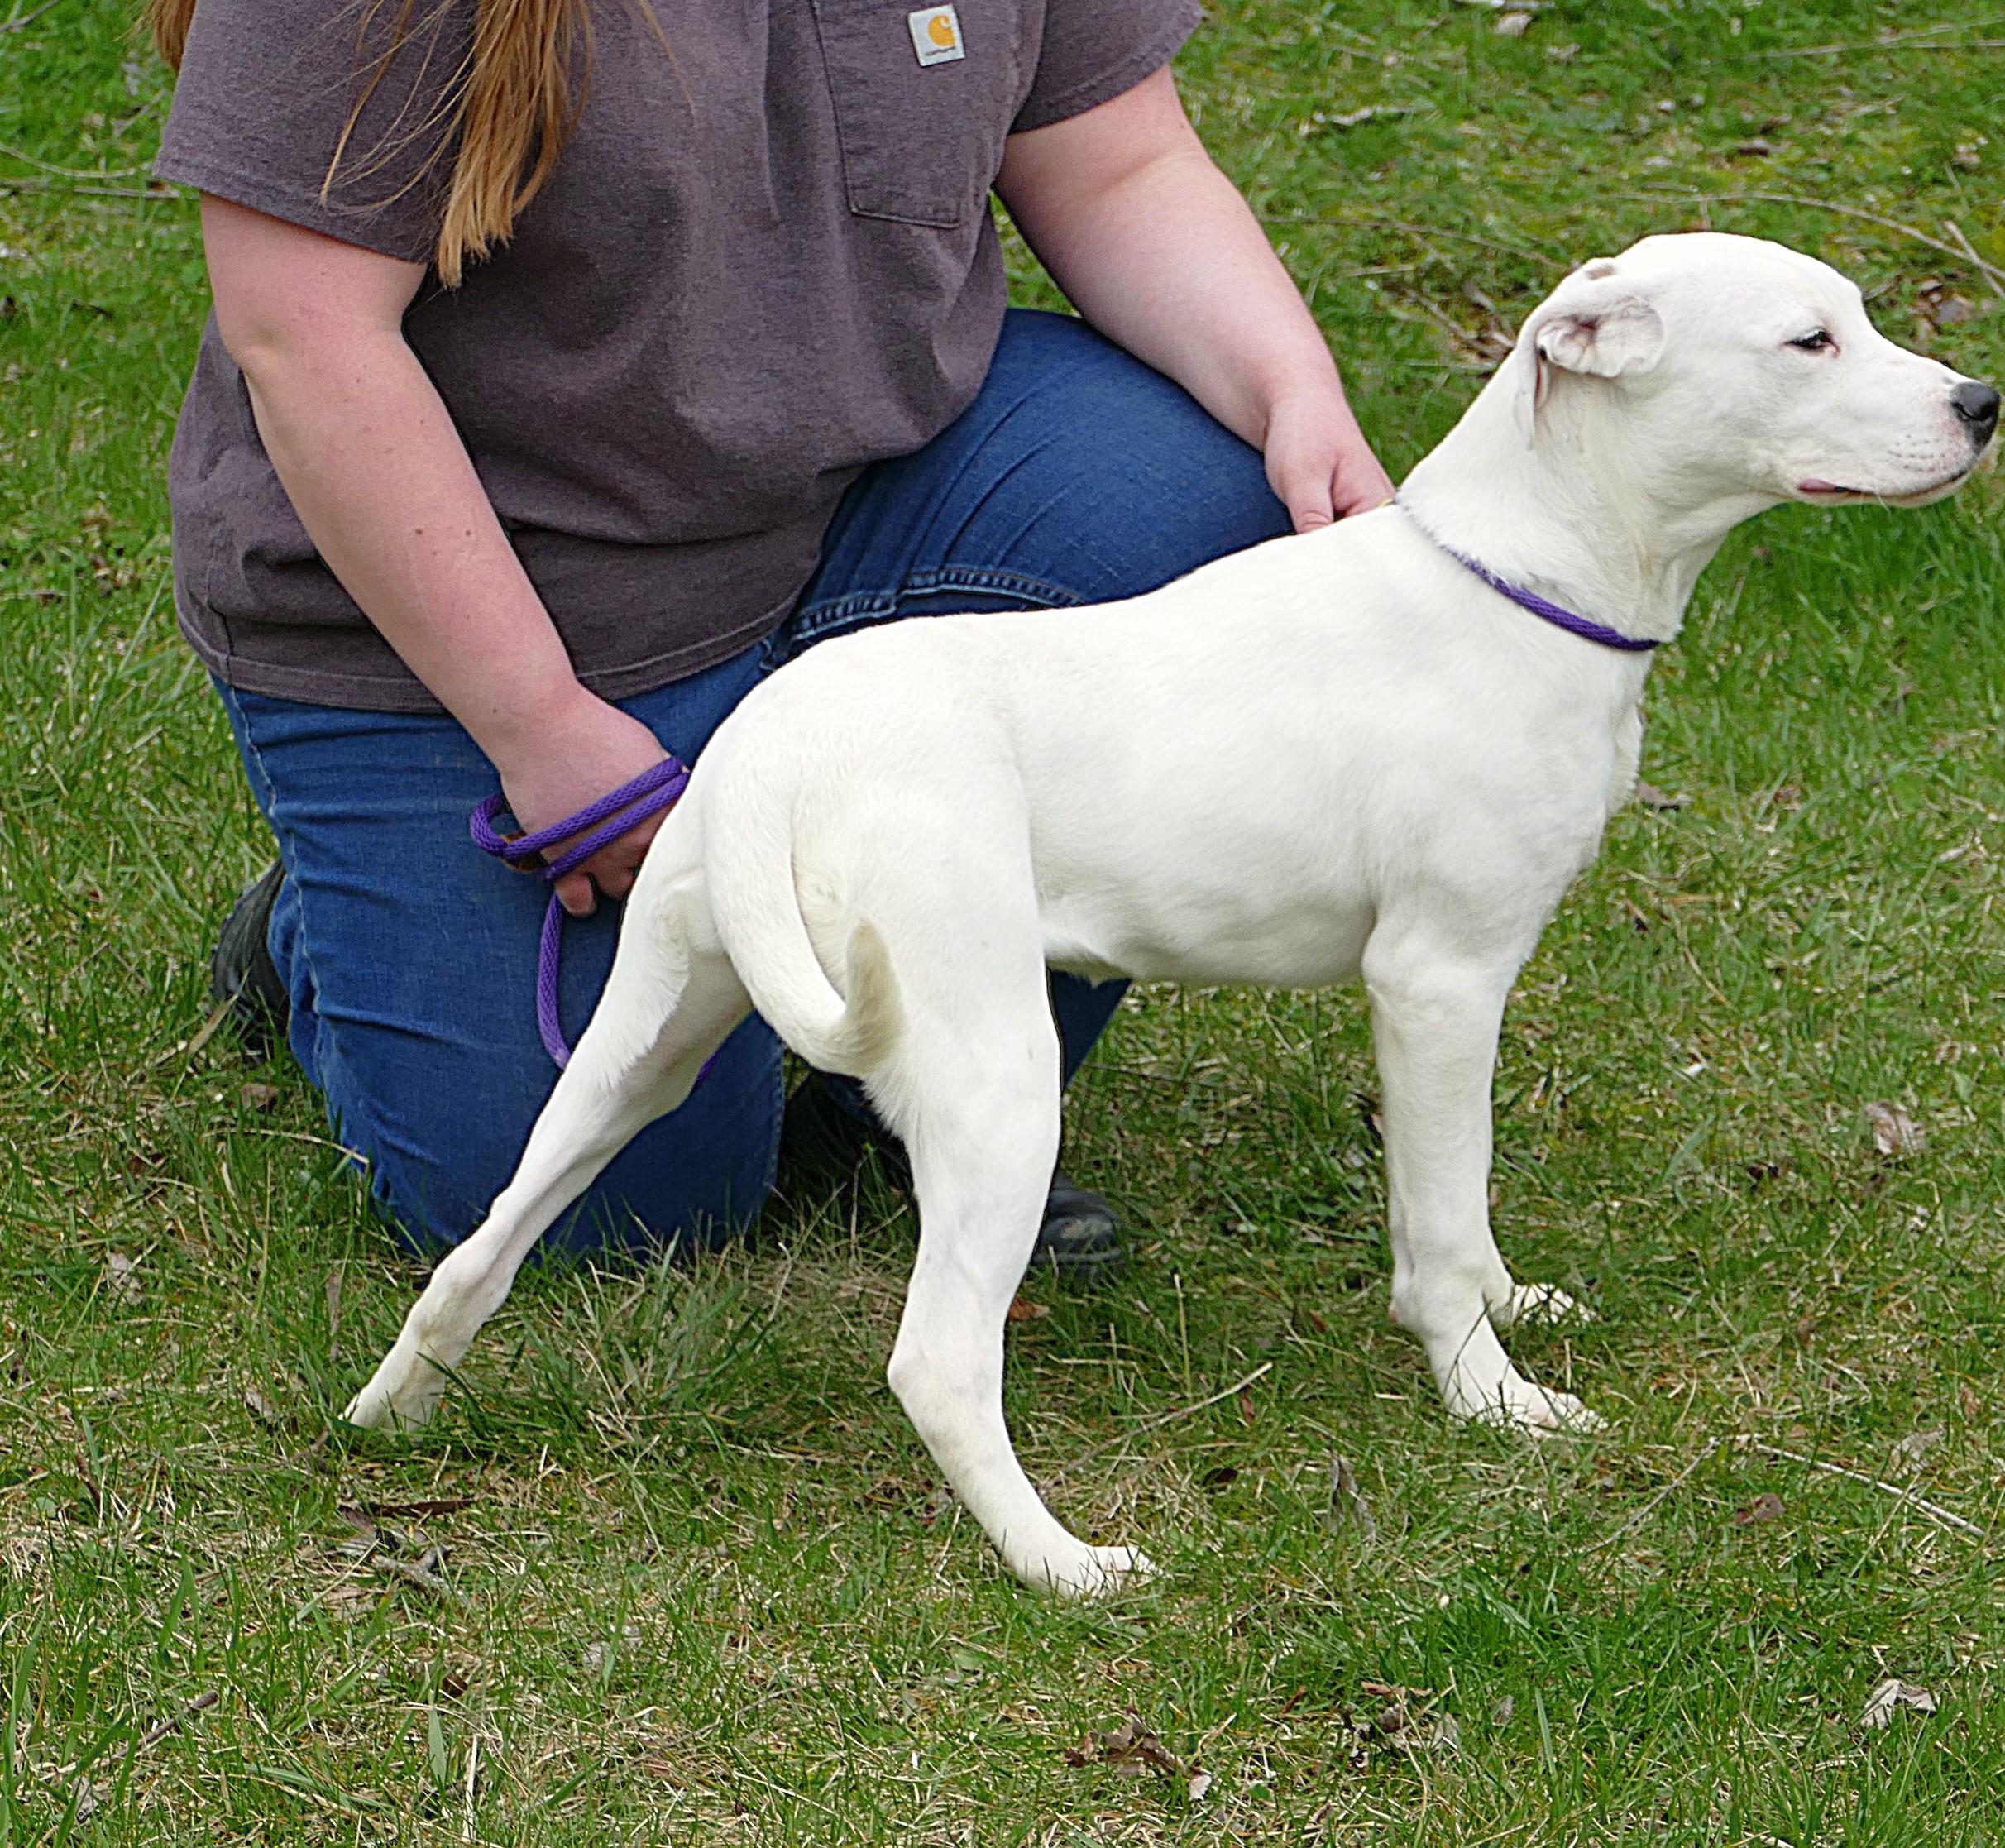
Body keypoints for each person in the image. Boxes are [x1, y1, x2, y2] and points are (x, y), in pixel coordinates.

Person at [151, 0, 1390, 1267]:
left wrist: (1295, 391)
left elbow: (1120, 161)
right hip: (524, 596)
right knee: (623, 1218)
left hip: (869, 495)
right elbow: (302, 336)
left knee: (1206, 521)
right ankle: (322, 938)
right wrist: (543, 728)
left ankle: (929, 1087)